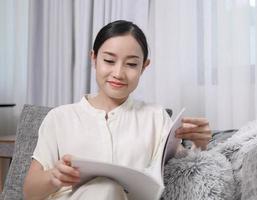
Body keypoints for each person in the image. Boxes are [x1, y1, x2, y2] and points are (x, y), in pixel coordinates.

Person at [23, 20, 212, 200]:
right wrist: (53, 177)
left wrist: (201, 144)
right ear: (94, 58)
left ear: (144, 67)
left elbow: (184, 174)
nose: (118, 73)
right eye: (109, 60)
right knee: (105, 187)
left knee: (109, 188)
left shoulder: (155, 117)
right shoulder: (59, 118)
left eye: (131, 64)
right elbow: (29, 193)